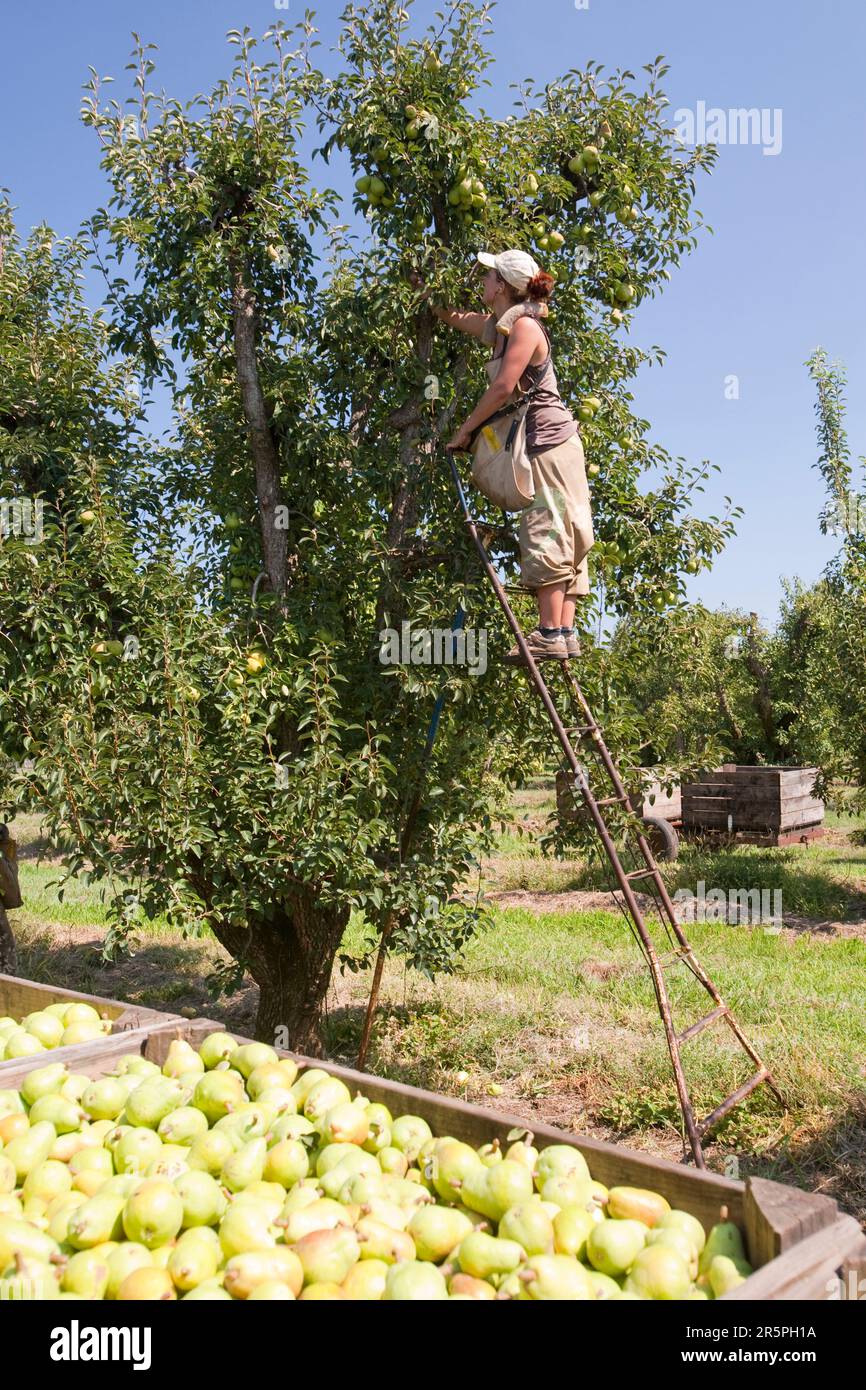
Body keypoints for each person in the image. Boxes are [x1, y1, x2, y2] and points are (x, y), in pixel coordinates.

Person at [436, 249, 594, 663]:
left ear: (502, 285)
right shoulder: (506, 326)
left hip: (546, 444)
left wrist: (467, 429)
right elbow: (466, 321)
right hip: (560, 445)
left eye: (489, 276)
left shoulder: (525, 327)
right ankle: (563, 633)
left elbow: (504, 387)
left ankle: (547, 634)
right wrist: (432, 303)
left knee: (549, 528)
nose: (483, 283)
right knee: (568, 529)